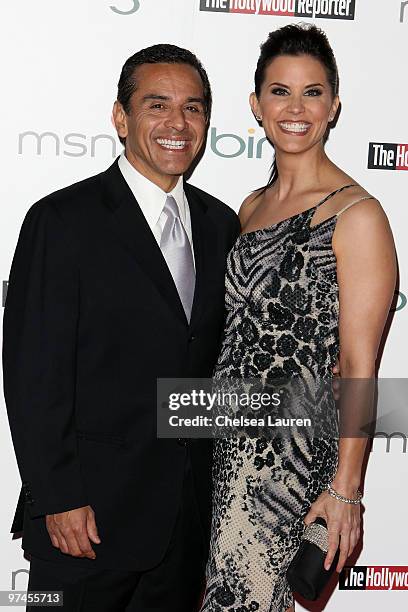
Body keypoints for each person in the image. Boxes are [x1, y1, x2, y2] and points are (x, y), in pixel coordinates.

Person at [2, 44, 241, 611]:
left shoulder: (219, 225)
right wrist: (57, 498)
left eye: (194, 108)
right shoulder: (61, 221)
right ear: (120, 117)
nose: (177, 123)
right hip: (84, 526)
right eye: (157, 105)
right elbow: (35, 374)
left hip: (183, 528)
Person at [201, 24, 396, 612]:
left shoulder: (357, 215)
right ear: (256, 105)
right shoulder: (251, 207)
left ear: (334, 105)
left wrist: (347, 492)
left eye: (313, 92)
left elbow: (361, 366)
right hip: (219, 447)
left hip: (289, 459)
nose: (295, 109)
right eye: (279, 91)